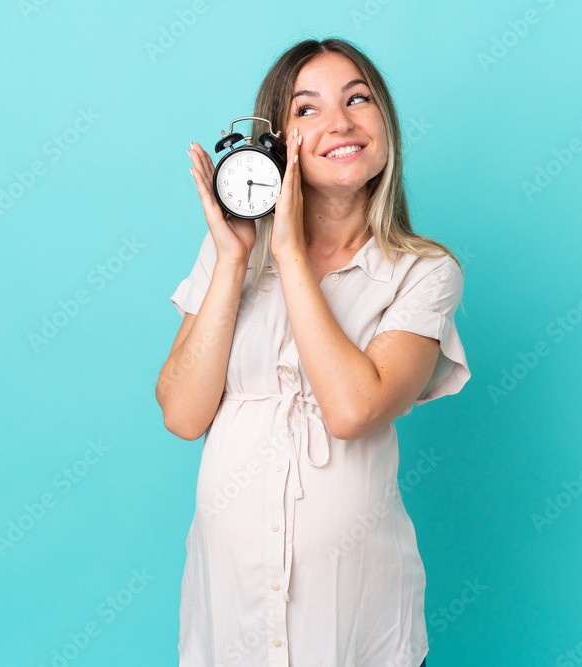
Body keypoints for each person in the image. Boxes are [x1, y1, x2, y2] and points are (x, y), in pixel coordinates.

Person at [157, 36, 470, 667]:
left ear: (385, 124)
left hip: (355, 615)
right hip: (232, 608)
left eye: (359, 99)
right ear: (274, 140)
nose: (340, 122)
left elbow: (354, 411)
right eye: (307, 109)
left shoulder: (423, 271)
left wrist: (292, 253)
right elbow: (184, 415)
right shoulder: (229, 257)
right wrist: (234, 258)